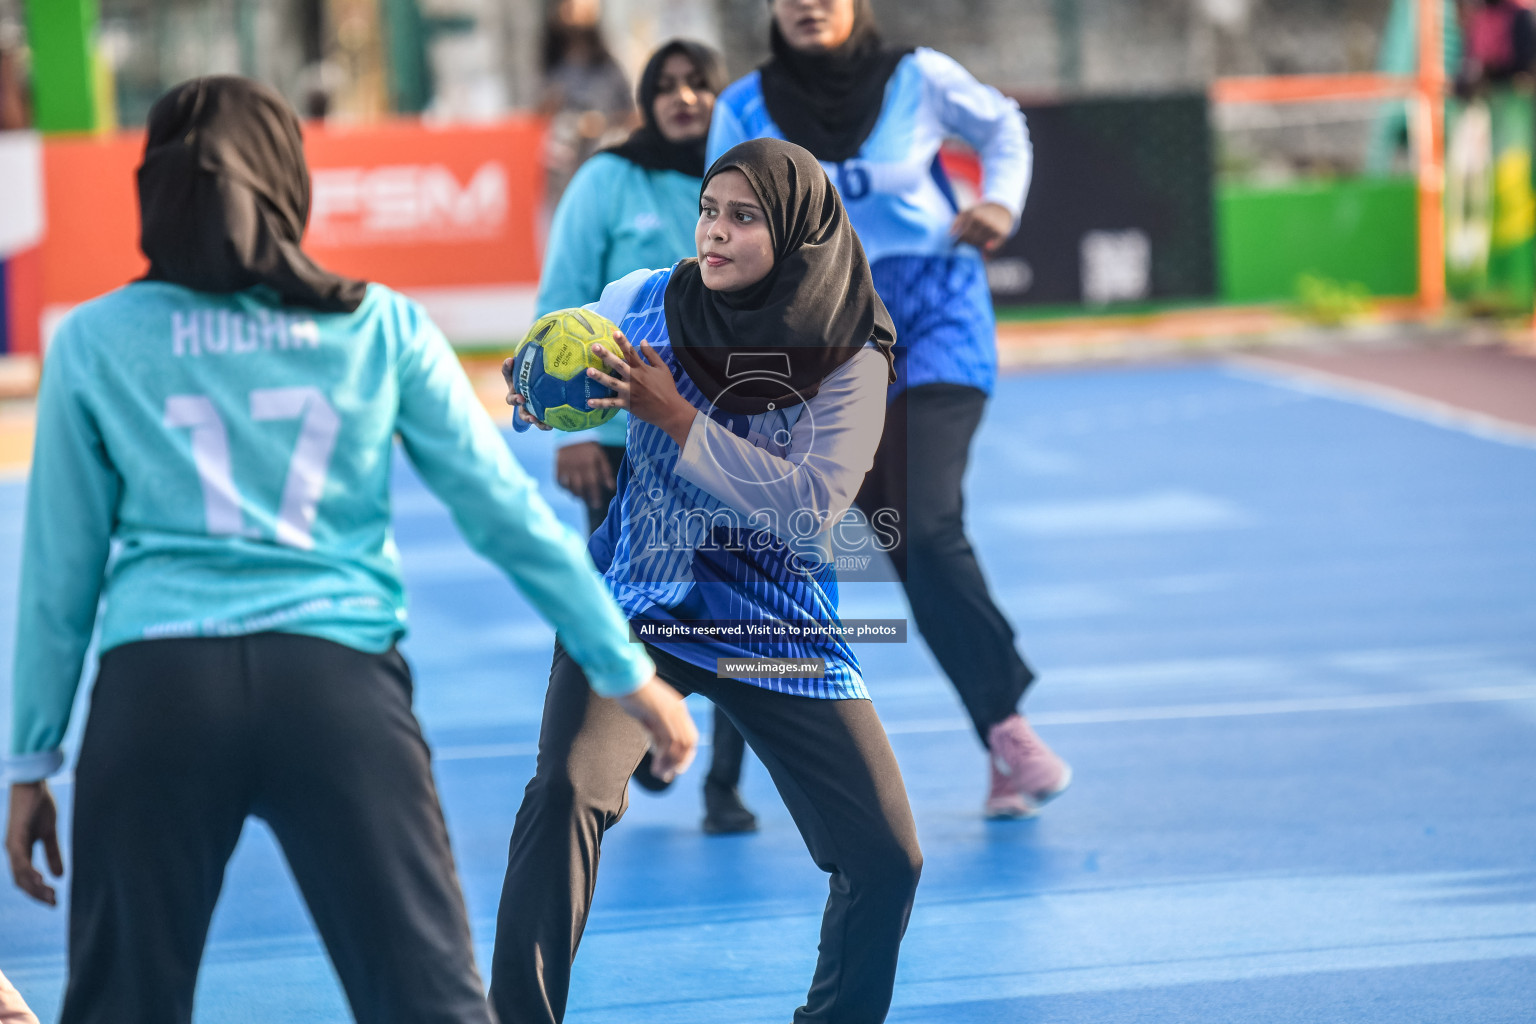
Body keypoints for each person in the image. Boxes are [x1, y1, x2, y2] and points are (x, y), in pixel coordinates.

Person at [1, 76, 696, 1024]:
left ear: (151, 188)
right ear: (290, 183)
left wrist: (31, 763)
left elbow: (58, 575)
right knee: (429, 1004)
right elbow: (504, 513)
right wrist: (626, 669)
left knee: (121, 1005)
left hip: (155, 692)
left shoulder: (91, 341)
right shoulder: (377, 324)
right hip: (336, 690)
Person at [491, 139, 921, 1024]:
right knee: (565, 794)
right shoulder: (644, 301)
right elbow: (558, 373)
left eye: (744, 217)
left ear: (797, 230)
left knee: (886, 858)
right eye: (708, 211)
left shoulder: (853, 355)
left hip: (778, 628)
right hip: (638, 613)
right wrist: (537, 391)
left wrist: (678, 419)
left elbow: (810, 507)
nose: (714, 234)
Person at [707, 0, 1071, 819]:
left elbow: (1004, 127)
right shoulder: (746, 108)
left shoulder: (918, 76)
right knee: (902, 546)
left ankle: (1006, 722)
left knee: (925, 518)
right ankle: (1001, 737)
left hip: (937, 317)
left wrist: (1002, 202)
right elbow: (720, 234)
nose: (807, 5)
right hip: (829, 343)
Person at [537, 39, 760, 834]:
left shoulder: (750, 181)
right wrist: (581, 433)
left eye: (700, 81)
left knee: (742, 611)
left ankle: (724, 786)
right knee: (632, 607)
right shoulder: (607, 179)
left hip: (728, 441)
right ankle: (626, 741)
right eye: (665, 85)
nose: (684, 96)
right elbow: (567, 304)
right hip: (627, 455)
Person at [539, 0, 635, 203]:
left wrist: (600, 124)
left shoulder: (610, 64)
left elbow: (632, 115)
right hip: (562, 171)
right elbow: (537, 118)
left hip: (602, 163)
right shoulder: (551, 65)